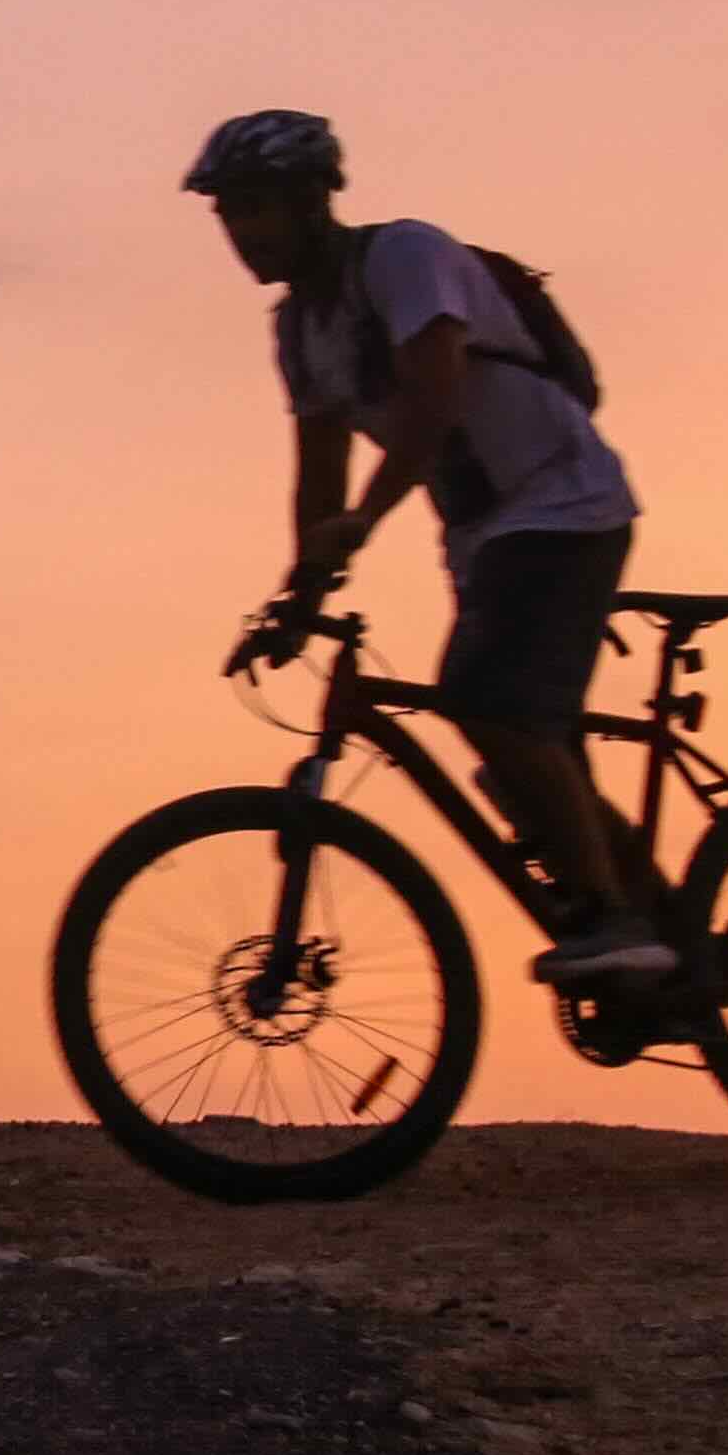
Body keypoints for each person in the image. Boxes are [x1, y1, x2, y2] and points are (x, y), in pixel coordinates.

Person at [179, 111, 675, 999]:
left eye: (256, 209)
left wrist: (364, 524)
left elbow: (433, 396)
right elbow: (318, 479)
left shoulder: (405, 257)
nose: (241, 232)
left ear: (309, 201)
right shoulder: (301, 329)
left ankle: (614, 922)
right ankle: (672, 943)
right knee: (526, 760)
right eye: (228, 215)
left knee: (486, 702)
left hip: (564, 502)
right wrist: (298, 599)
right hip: (484, 535)